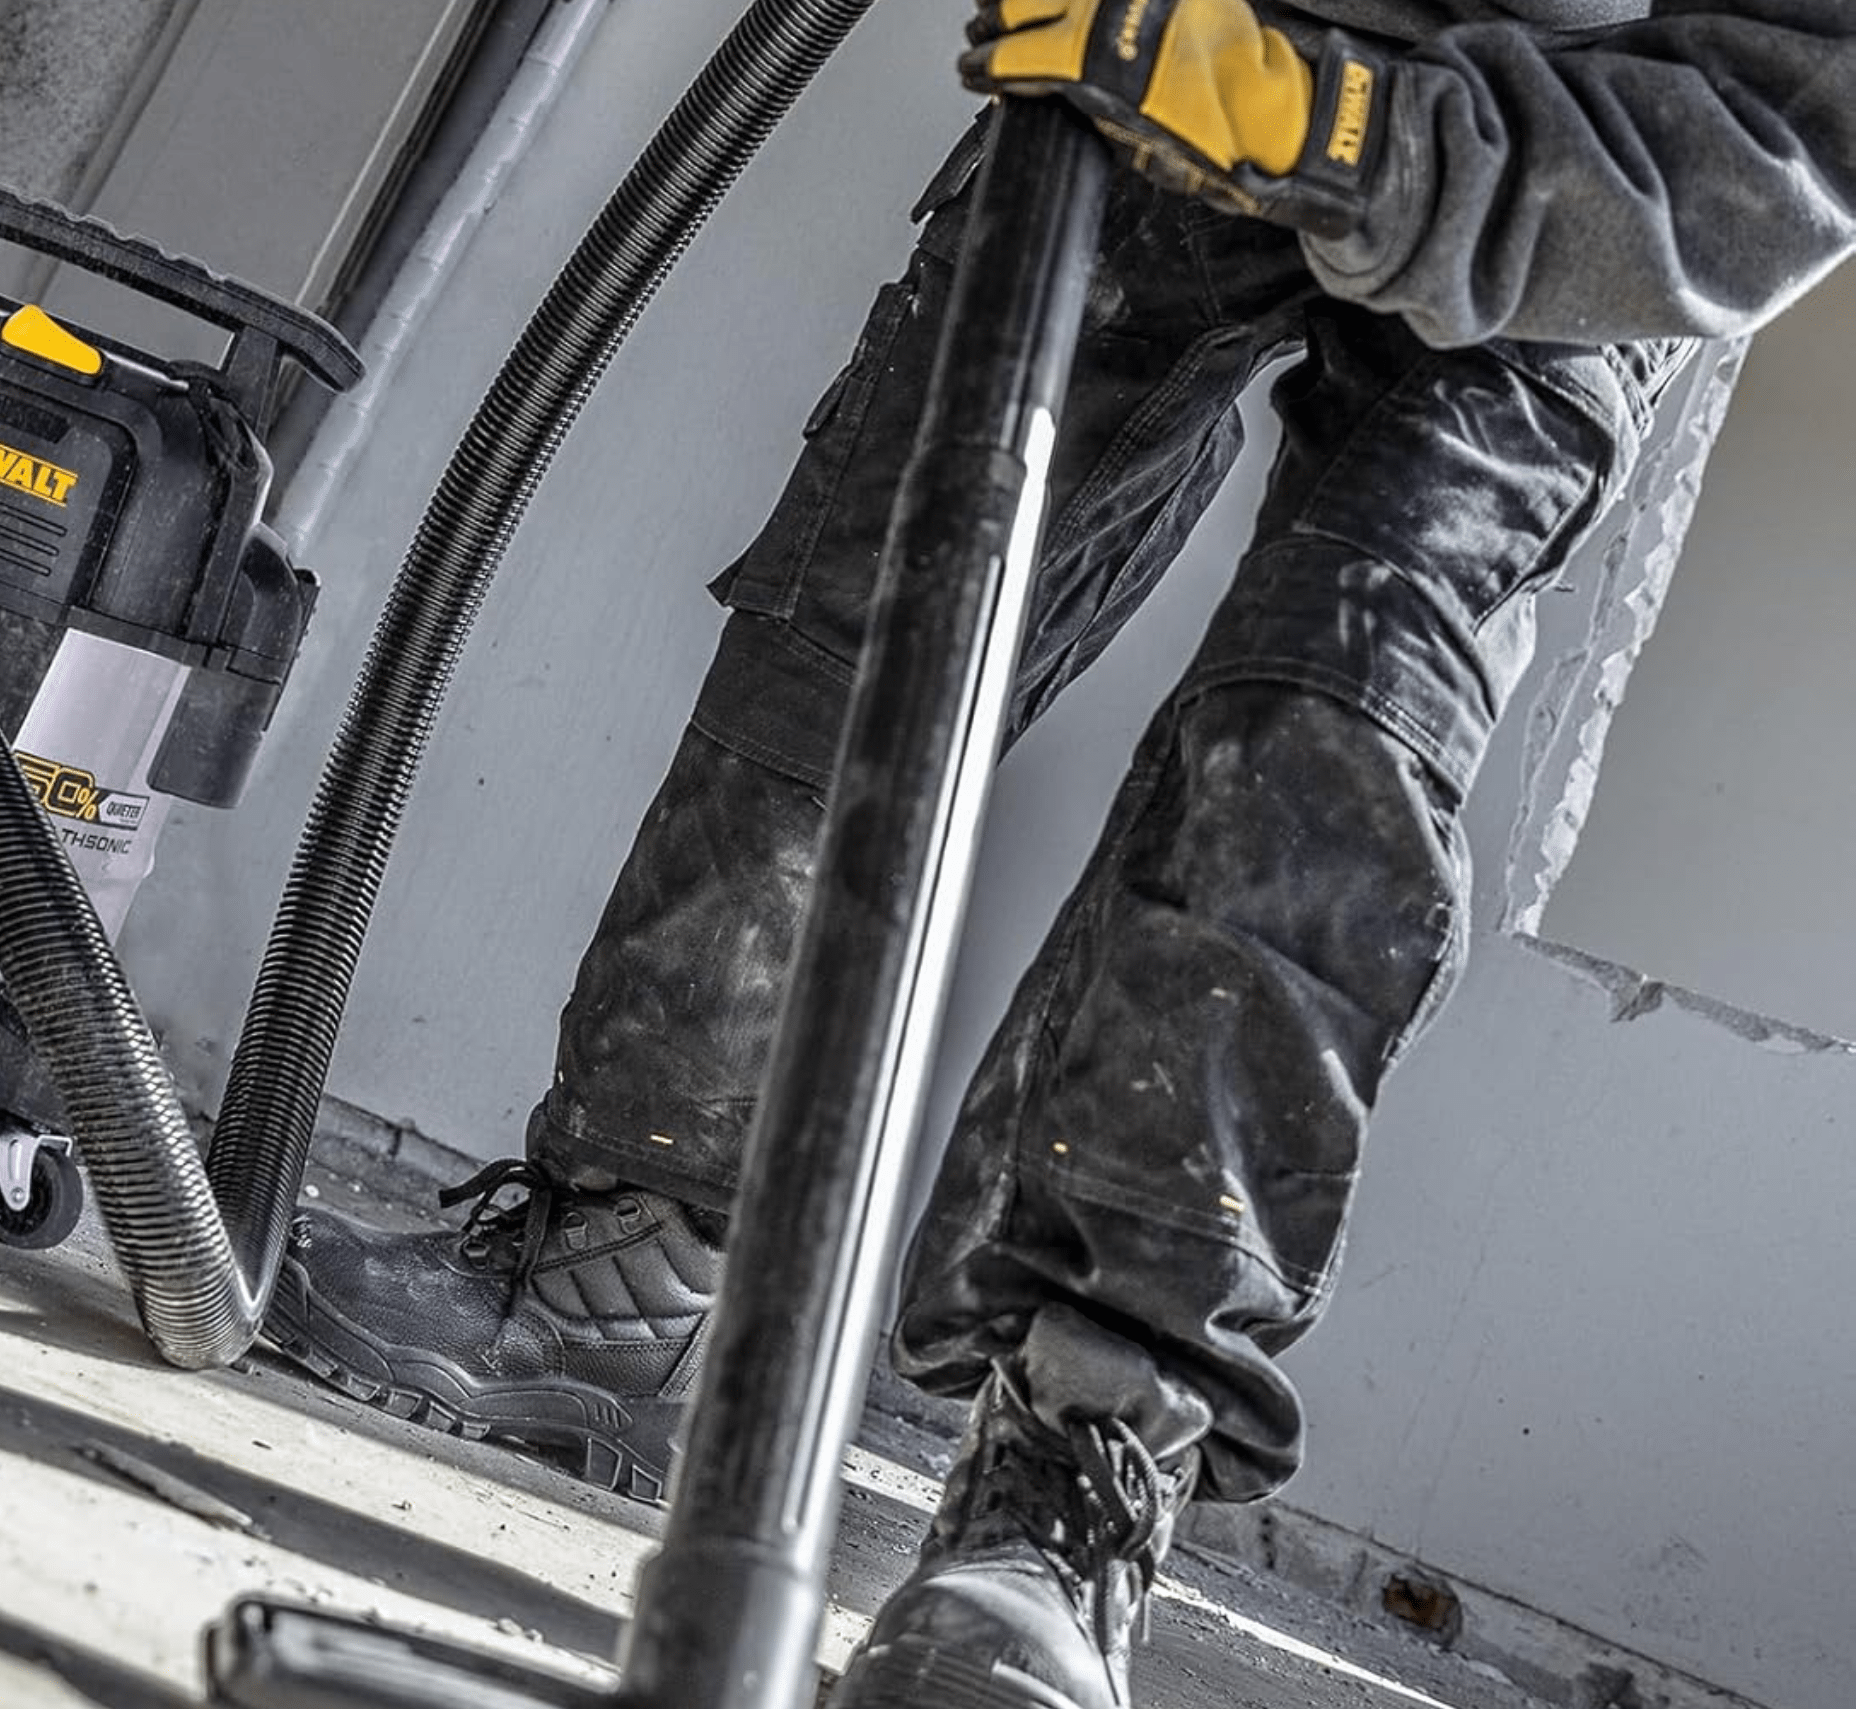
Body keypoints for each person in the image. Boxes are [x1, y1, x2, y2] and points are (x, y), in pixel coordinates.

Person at [263, 2, 1856, 1704]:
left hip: (1593, 171)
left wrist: (1338, 133)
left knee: (1322, 765)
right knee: (891, 591)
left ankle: (1073, 1480)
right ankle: (618, 1267)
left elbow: (1789, 125)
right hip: (1184, 26)